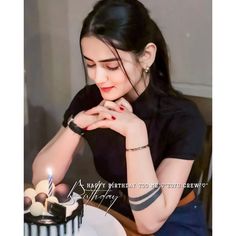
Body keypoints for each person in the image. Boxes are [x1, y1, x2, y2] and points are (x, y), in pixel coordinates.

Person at [32, 0, 208, 235]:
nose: (98, 77)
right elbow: (41, 178)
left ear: (146, 56)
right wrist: (76, 125)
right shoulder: (89, 100)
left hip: (174, 221)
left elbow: (149, 222)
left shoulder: (182, 117)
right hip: (120, 210)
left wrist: (135, 133)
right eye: (90, 65)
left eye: (111, 66)